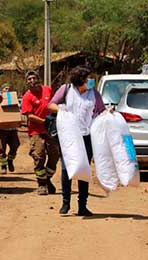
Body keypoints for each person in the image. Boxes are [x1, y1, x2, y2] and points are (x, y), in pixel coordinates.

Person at [48, 65, 106, 216]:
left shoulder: (95, 94)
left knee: (84, 170)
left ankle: (82, 205)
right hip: (68, 136)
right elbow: (51, 105)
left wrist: (109, 114)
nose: (91, 80)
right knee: (67, 168)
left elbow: (101, 111)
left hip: (87, 136)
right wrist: (62, 109)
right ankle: (65, 203)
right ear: (80, 80)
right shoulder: (66, 89)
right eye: (88, 78)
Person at [21, 70, 60, 195]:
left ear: (38, 79)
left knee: (54, 155)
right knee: (39, 156)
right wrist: (44, 121)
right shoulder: (27, 96)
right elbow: (29, 115)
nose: (32, 81)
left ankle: (47, 179)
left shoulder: (48, 90)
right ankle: (42, 184)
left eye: (34, 78)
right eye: (29, 79)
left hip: (51, 130)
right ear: (27, 82)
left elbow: (54, 104)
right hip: (36, 131)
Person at [0, 83, 20, 175]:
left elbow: (18, 111)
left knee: (15, 146)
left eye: (9, 89)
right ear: (2, 90)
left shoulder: (14, 100)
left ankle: (10, 160)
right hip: (1, 129)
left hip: (12, 129)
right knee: (2, 148)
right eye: (6, 89)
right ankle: (3, 166)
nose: (7, 90)